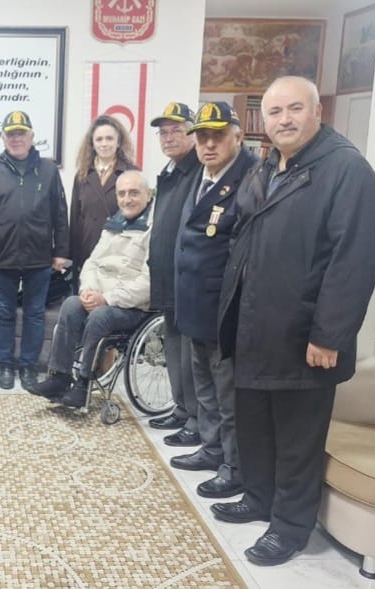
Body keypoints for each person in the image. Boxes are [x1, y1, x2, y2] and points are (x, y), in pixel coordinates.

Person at [214, 76, 375, 566]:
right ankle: (259, 497)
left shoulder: (347, 170)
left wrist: (329, 335)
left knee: (296, 437)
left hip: (304, 336)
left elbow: (355, 260)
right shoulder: (270, 165)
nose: (284, 120)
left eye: (294, 109)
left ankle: (289, 527)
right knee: (255, 425)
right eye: (274, 112)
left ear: (317, 112)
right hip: (255, 327)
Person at [171, 102, 257, 500]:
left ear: (237, 135)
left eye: (217, 136)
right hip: (194, 304)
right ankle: (211, 449)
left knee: (228, 397)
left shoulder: (250, 178)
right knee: (204, 388)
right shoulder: (203, 175)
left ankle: (234, 467)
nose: (208, 144)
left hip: (224, 311)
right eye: (202, 136)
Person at [29, 170, 153, 408]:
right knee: (71, 304)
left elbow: (147, 284)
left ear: (148, 195)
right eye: (122, 194)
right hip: (100, 298)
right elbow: (92, 263)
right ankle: (60, 377)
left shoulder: (154, 230)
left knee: (99, 316)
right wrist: (88, 291)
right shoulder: (113, 224)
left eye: (134, 193)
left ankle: (84, 383)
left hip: (132, 307)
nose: (127, 199)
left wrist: (106, 298)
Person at [0, 110, 69, 391]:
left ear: (31, 136)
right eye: (11, 134)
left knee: (34, 314)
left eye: (21, 133)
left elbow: (60, 213)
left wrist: (61, 252)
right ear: (4, 138)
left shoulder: (48, 170)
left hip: (40, 258)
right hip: (2, 258)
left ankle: (28, 366)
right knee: (3, 314)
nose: (16, 139)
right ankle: (5, 364)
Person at [146, 102, 202, 448]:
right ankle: (181, 409)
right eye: (163, 132)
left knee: (190, 355)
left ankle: (195, 418)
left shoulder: (199, 171)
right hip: (168, 277)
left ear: (193, 133)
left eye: (177, 130)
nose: (168, 137)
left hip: (189, 280)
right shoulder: (170, 172)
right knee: (174, 348)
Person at [69, 114, 138, 276]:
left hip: (119, 255)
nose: (104, 144)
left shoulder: (131, 173)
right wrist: (72, 257)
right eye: (99, 139)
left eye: (109, 138)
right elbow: (75, 219)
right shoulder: (82, 175)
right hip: (87, 253)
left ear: (118, 142)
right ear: (92, 144)